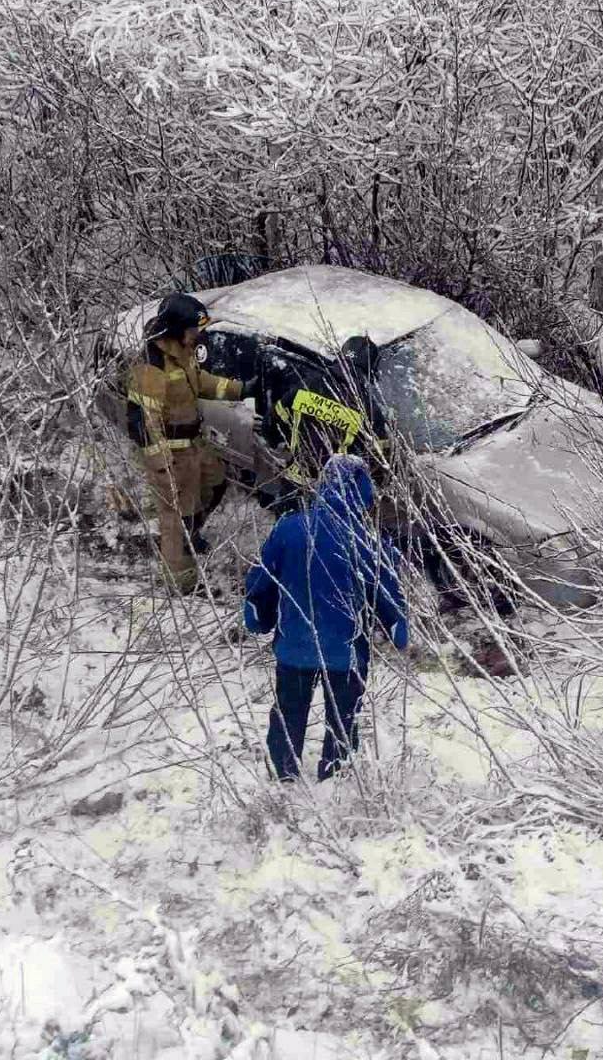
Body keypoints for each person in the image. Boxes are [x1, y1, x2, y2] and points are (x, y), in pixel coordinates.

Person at [243, 454, 409, 782]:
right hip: (346, 653)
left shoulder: (289, 529)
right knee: (343, 718)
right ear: (363, 493)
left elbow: (261, 582)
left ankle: (284, 774)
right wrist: (397, 628)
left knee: (289, 712)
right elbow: (388, 596)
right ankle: (335, 775)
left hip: (294, 646)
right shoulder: (369, 541)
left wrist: (258, 617)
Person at [126, 293, 258, 593]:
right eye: (192, 329)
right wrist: (163, 468)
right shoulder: (152, 366)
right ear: (175, 328)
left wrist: (241, 389)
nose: (197, 334)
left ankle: (192, 532)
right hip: (170, 453)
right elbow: (141, 424)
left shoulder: (182, 351)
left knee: (215, 479)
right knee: (176, 519)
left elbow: (202, 382)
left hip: (193, 442)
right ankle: (182, 583)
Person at [259, 335, 390, 497]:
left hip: (295, 485)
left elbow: (270, 424)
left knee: (290, 521)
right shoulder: (368, 408)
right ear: (369, 369)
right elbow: (379, 463)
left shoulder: (305, 387)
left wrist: (288, 449)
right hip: (335, 495)